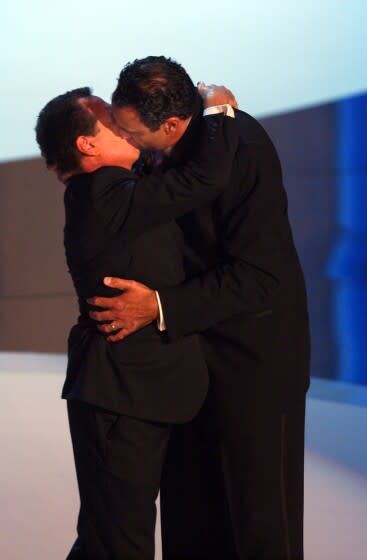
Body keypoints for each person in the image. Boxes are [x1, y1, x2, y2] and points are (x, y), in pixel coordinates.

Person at [88, 56, 311, 560]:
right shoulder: (178, 143)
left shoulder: (244, 150)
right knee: (191, 524)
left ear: (170, 124)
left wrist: (159, 306)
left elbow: (262, 275)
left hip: (254, 369)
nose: (123, 141)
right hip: (187, 366)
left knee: (258, 529)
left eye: (129, 132)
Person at [35, 84, 239, 559]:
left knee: (110, 541)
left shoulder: (120, 187)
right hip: (119, 394)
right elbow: (201, 180)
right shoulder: (99, 190)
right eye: (112, 122)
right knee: (116, 544)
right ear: (87, 144)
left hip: (142, 390)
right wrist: (219, 109)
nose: (129, 127)